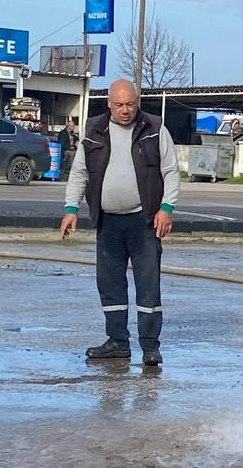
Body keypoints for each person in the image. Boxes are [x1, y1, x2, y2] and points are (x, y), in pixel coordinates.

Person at [59, 79, 180, 367]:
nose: (125, 110)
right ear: (109, 104)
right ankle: (117, 342)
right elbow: (79, 173)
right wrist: (71, 208)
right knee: (110, 284)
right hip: (108, 223)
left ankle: (150, 346)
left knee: (148, 285)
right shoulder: (94, 131)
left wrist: (166, 207)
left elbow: (171, 171)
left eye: (131, 104)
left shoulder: (155, 129)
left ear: (137, 102)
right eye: (119, 105)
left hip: (145, 222)